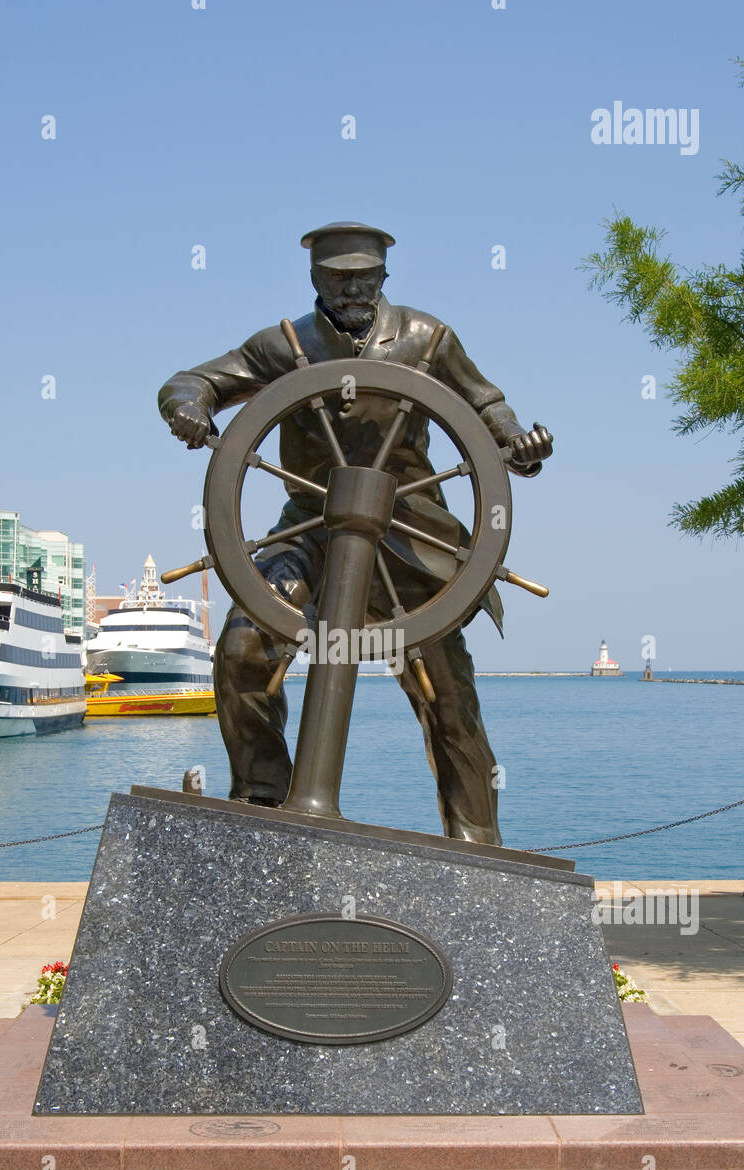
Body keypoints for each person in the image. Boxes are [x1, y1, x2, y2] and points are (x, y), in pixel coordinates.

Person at [158, 222, 553, 845]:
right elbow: (193, 381)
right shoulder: (284, 345)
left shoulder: (427, 338)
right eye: (337, 277)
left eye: (362, 277)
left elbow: (486, 408)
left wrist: (518, 444)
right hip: (312, 529)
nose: (350, 288)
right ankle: (263, 803)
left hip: (413, 538)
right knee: (241, 649)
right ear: (314, 278)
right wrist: (189, 405)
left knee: (447, 695)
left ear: (384, 276)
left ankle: (477, 846)